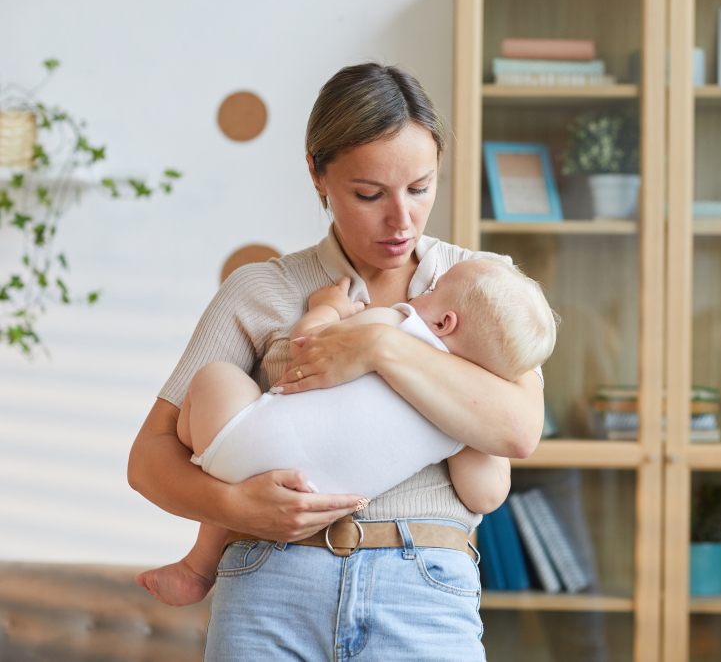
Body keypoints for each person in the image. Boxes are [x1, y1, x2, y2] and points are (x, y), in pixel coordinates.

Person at [127, 62, 547, 661]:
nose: (401, 220)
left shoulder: (484, 291)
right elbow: (148, 458)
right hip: (269, 585)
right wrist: (237, 507)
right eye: (369, 194)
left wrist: (380, 345)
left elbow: (518, 429)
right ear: (317, 174)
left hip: (423, 588)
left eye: (421, 187)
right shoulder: (260, 290)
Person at [135, 258, 556, 607]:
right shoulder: (462, 423)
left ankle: (197, 564)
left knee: (215, 377)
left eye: (433, 289)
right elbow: (486, 495)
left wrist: (329, 307)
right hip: (310, 499)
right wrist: (468, 430)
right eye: (369, 193)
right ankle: (197, 564)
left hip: (255, 460)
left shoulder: (396, 322)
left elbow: (308, 340)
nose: (418, 294)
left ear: (445, 321)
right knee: (235, 468)